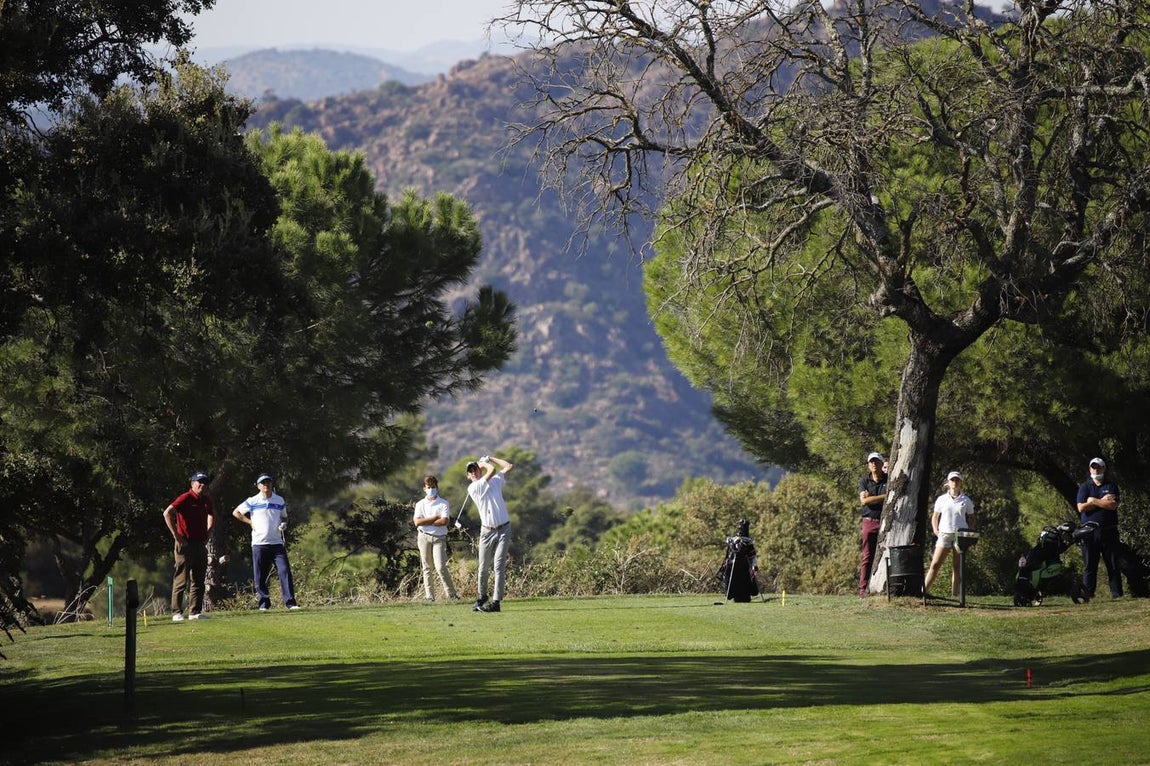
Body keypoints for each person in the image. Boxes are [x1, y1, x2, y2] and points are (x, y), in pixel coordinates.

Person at [233, 473, 300, 611]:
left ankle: (290, 602)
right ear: (258, 486)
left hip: (277, 543)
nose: (266, 485)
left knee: (284, 571)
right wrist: (250, 522)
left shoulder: (279, 500)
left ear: (271, 484)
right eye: (263, 483)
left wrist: (284, 524)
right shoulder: (253, 500)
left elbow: (285, 517)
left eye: (268, 482)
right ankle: (264, 604)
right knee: (260, 575)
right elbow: (236, 512)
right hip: (259, 543)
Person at [163, 471, 216, 621]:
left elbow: (212, 514)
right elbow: (167, 513)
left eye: (205, 482)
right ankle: (176, 612)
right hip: (185, 543)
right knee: (181, 579)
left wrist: (209, 532)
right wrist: (176, 535)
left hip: (200, 543)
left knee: (198, 579)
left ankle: (195, 612)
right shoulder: (185, 498)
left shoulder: (206, 500)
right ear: (192, 483)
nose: (203, 485)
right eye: (199, 482)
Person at [466, 454, 514, 613]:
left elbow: (508, 466)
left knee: (499, 565)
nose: (474, 472)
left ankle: (496, 602)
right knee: (483, 566)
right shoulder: (473, 488)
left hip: (504, 529)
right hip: (487, 531)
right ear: (468, 476)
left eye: (475, 469)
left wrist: (491, 458)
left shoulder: (495, 481)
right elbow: (492, 470)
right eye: (471, 471)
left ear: (479, 471)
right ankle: (482, 596)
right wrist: (483, 463)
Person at [1076, 457, 1122, 601]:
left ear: (1104, 468)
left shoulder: (1111, 486)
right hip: (1089, 533)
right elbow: (1081, 507)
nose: (1096, 470)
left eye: (1099, 467)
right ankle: (1087, 595)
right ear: (1090, 469)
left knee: (1113, 564)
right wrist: (1102, 501)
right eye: (1093, 467)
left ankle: (1117, 595)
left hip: (1109, 531)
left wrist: (1093, 501)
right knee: (1090, 565)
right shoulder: (1085, 487)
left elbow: (1112, 505)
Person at [924, 471, 976, 597]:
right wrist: (935, 530)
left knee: (957, 567)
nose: (955, 482)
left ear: (961, 482)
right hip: (945, 534)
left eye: (957, 480)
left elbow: (972, 518)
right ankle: (923, 591)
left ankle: (955, 596)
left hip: (960, 535)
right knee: (935, 564)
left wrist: (970, 532)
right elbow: (935, 516)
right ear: (948, 482)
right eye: (952, 480)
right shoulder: (941, 499)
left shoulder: (966, 500)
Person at [413, 474, 459, 602]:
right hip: (423, 536)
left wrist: (426, 521)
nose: (431, 489)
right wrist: (434, 518)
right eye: (429, 487)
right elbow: (417, 522)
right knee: (427, 567)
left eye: (433, 487)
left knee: (440, 567)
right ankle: (429, 596)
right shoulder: (420, 504)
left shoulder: (443, 503)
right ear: (424, 488)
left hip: (439, 538)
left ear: (437, 487)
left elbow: (444, 521)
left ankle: (452, 595)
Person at [858, 452, 888, 596]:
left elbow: (870, 500)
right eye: (871, 462)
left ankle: (882, 587)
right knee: (867, 556)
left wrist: (872, 498)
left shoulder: (889, 479)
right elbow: (864, 501)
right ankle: (863, 589)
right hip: (869, 522)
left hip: (885, 523)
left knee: (885, 556)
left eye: (877, 462)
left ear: (882, 464)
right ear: (868, 465)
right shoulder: (864, 481)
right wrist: (885, 496)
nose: (874, 464)